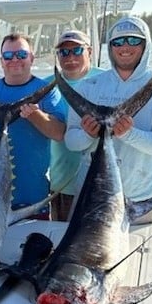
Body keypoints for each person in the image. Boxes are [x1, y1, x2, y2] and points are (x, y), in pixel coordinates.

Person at [65, 16, 152, 224]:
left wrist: (130, 134)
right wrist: (87, 135)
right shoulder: (89, 86)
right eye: (118, 41)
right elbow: (71, 141)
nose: (125, 46)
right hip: (91, 199)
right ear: (110, 47)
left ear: (145, 44)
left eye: (133, 40)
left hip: (143, 202)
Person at [0, 33, 66, 220]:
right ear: (1, 61)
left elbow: (59, 133)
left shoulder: (47, 90)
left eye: (21, 54)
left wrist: (35, 115)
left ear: (31, 58)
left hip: (32, 196)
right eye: (8, 56)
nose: (14, 60)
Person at [45, 30, 104, 221]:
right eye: (64, 52)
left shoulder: (108, 82)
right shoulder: (46, 86)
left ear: (90, 51)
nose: (70, 57)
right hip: (63, 182)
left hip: (102, 181)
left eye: (77, 50)